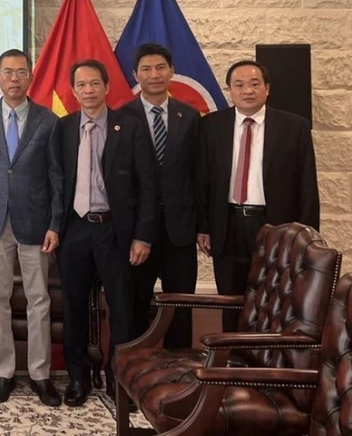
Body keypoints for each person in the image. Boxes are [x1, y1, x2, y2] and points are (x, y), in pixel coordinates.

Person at [56, 59, 156, 406]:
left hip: (116, 230)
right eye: (81, 85)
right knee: (74, 308)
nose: (88, 90)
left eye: (94, 84)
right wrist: (56, 229)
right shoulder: (64, 128)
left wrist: (142, 236)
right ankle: (78, 378)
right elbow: (58, 183)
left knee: (122, 309)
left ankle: (119, 379)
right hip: (75, 231)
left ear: (106, 87)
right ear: (73, 90)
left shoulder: (129, 127)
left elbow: (147, 185)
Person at [0, 49, 63, 406]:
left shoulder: (48, 120)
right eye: (7, 72)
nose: (14, 79)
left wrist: (55, 223)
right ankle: (2, 373)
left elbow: (56, 177)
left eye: (21, 72)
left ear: (30, 78)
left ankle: (40, 375)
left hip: (36, 223)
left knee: (39, 299)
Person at [197, 60, 319, 332]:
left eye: (254, 84)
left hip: (275, 226)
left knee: (274, 299)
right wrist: (203, 227)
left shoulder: (294, 127)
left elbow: (307, 186)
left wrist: (307, 236)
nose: (247, 91)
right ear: (229, 90)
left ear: (267, 89)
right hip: (227, 224)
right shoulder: (212, 126)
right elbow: (202, 179)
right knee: (231, 300)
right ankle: (232, 362)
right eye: (239, 85)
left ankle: (267, 365)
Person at [118, 43, 200, 348]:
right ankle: (136, 369)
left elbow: (199, 174)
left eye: (160, 68)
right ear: (135, 74)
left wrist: (202, 225)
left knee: (181, 303)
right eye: (146, 69)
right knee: (136, 302)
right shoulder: (121, 118)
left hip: (180, 228)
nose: (154, 75)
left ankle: (178, 368)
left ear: (172, 72)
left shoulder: (190, 117)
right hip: (138, 230)